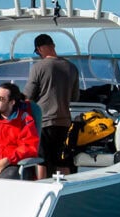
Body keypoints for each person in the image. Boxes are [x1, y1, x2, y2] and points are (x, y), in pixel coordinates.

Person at [25, 33, 80, 177]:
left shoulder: (38, 67)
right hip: (64, 122)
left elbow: (28, 96)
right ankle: (66, 190)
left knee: (41, 160)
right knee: (62, 161)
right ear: (53, 45)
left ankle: (40, 189)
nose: (38, 54)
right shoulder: (72, 67)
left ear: (40, 48)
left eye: (37, 52)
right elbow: (75, 96)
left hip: (43, 121)